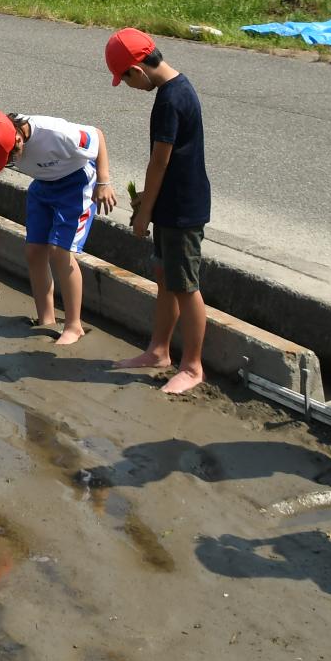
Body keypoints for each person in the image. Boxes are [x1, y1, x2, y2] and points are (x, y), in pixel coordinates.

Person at [106, 28, 212, 394]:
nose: (129, 86)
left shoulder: (170, 100)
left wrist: (142, 212)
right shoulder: (175, 89)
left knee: (185, 286)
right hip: (172, 202)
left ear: (138, 69)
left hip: (183, 208)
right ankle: (159, 350)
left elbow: (160, 162)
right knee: (166, 280)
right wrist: (149, 202)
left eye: (125, 79)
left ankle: (193, 366)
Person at [0, 108, 114, 346]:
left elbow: (97, 136)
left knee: (60, 251)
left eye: (9, 156)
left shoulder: (55, 133)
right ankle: (46, 318)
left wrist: (104, 181)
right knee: (34, 251)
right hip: (43, 186)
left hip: (75, 185)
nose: (9, 162)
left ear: (17, 138)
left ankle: (73, 325)